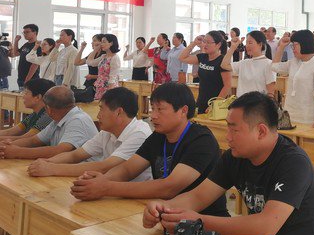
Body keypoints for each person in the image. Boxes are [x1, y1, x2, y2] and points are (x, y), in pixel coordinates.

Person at [142, 92, 314, 235]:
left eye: (234, 130)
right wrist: (163, 208)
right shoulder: (236, 157)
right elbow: (198, 196)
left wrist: (199, 221)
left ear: (261, 131)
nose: (227, 137)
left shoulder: (293, 163)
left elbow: (265, 227)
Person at [69, 83, 228, 218]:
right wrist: (100, 182)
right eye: (152, 109)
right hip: (161, 213)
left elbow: (169, 187)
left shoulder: (201, 140)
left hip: (203, 218)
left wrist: (106, 187)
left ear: (183, 111)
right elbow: (127, 169)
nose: (153, 116)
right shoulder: (159, 136)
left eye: (160, 109)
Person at [28, 87, 152, 180]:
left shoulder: (139, 133)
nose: (98, 116)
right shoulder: (107, 132)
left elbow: (104, 167)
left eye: (101, 109)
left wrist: (52, 168)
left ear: (118, 112)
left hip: (134, 199)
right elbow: (75, 155)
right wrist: (46, 162)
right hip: (112, 189)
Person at [0, 86, 98, 159]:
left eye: (26, 93)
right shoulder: (58, 118)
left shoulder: (78, 120)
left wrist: (18, 152)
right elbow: (33, 140)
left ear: (48, 109)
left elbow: (60, 151)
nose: (23, 96)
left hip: (85, 172)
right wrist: (5, 147)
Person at [272, 30, 314, 127]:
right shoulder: (293, 62)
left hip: (307, 115)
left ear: (305, 44)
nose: (293, 49)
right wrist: (281, 47)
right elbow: (274, 67)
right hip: (289, 113)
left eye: (295, 45)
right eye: (292, 46)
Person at [179, 31, 231, 113]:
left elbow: (227, 86)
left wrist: (215, 104)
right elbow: (182, 58)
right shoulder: (202, 57)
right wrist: (194, 43)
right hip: (201, 101)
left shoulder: (223, 61)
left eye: (209, 42)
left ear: (218, 45)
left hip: (215, 104)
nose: (205, 45)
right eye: (204, 41)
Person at [221, 31, 276, 97]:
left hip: (257, 102)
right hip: (241, 101)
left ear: (260, 44)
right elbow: (224, 65)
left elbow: (270, 92)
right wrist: (233, 47)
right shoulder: (244, 63)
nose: (247, 46)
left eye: (250, 43)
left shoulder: (269, 64)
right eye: (246, 43)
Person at [87, 34, 121, 101]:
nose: (101, 44)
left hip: (109, 88)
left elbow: (112, 77)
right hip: (100, 86)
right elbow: (89, 62)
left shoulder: (115, 57)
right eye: (101, 42)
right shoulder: (103, 56)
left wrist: (110, 94)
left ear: (111, 43)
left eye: (104, 42)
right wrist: (95, 50)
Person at [10, 23, 41, 89]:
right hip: (21, 78)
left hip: (31, 80)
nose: (25, 34)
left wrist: (27, 80)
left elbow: (35, 65)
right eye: (24, 32)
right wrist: (16, 41)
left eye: (27, 32)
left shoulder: (38, 46)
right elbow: (16, 53)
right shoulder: (26, 44)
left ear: (34, 32)